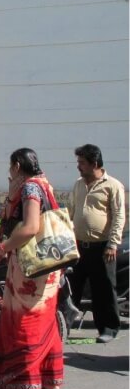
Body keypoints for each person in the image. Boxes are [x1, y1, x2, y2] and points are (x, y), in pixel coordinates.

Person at [0, 148, 64, 389]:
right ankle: (49, 379)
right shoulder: (43, 183)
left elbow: (30, 227)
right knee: (44, 319)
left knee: (24, 321)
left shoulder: (30, 189)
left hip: (30, 268)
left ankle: (21, 385)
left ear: (17, 165)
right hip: (48, 266)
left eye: (10, 167)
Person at [67, 144, 126, 343]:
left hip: (102, 248)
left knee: (104, 290)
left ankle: (108, 328)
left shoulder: (113, 185)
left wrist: (112, 244)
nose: (78, 166)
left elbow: (119, 216)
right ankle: (65, 325)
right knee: (71, 287)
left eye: (82, 163)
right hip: (78, 246)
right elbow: (71, 211)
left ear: (94, 164)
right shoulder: (78, 184)